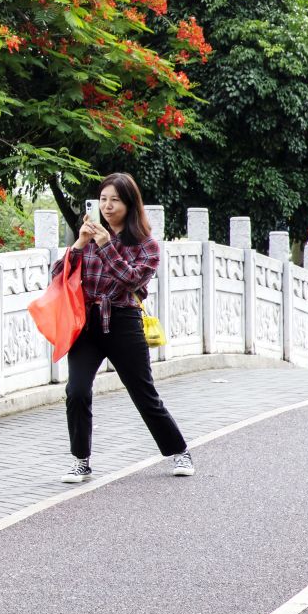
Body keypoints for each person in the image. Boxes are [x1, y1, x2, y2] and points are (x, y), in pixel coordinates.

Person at [55, 172, 193, 484]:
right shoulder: (89, 239)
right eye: (103, 199)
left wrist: (105, 245)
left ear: (129, 204)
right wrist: (79, 244)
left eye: (114, 200)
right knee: (76, 392)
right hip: (87, 324)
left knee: (143, 393)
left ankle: (179, 450)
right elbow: (57, 276)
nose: (107, 205)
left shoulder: (146, 245)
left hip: (123, 322)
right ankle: (81, 461)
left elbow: (131, 279)